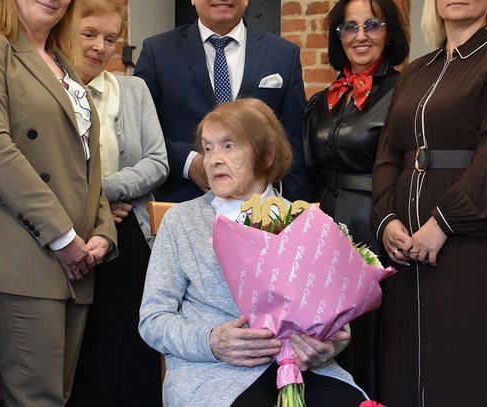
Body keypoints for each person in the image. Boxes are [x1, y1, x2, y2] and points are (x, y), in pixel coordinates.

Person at [139, 98, 366, 407]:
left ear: (266, 155)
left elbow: (338, 324)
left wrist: (326, 347)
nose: (213, 160)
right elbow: (153, 319)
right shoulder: (182, 222)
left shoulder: (303, 220)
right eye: (208, 148)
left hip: (302, 369)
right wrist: (211, 340)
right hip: (216, 373)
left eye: (228, 146)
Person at [371, 0, 487, 405]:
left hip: (472, 242)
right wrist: (387, 219)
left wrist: (443, 223)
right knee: (407, 362)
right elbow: (388, 154)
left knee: (468, 359)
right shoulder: (416, 71)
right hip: (405, 247)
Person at [0, 0, 117, 406]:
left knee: (58, 397)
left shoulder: (61, 62)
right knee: (37, 400)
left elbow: (85, 163)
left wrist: (103, 231)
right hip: (26, 253)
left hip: (77, 259)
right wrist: (62, 236)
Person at [303, 0, 409, 399]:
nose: (360, 36)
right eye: (349, 27)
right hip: (325, 225)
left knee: (372, 334)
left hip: (376, 222)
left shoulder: (405, 92)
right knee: (327, 331)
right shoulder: (323, 100)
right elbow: (307, 170)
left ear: (389, 32)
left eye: (372, 25)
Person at [67, 1, 169, 406]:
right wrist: (97, 207)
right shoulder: (45, 91)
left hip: (130, 230)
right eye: (89, 34)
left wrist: (107, 192)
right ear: (65, 30)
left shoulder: (133, 89)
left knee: (130, 347)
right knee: (85, 350)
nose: (100, 47)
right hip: (71, 234)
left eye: (110, 39)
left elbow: (157, 162)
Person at [134, 0, 309, 203]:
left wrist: (297, 212)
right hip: (180, 203)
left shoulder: (283, 54)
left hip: (260, 210)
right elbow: (139, 130)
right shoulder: (157, 51)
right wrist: (189, 163)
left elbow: (292, 144)